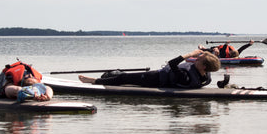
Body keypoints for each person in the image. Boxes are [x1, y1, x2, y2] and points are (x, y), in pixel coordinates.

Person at [78, 49, 221, 89]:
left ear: (203, 66)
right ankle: (101, 79)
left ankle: (93, 81)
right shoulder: (206, 76)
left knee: (124, 78)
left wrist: (189, 54)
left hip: (155, 79)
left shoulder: (186, 76)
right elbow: (211, 61)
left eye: (198, 59)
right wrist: (210, 52)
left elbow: (172, 63)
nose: (195, 59)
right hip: (158, 77)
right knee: (124, 77)